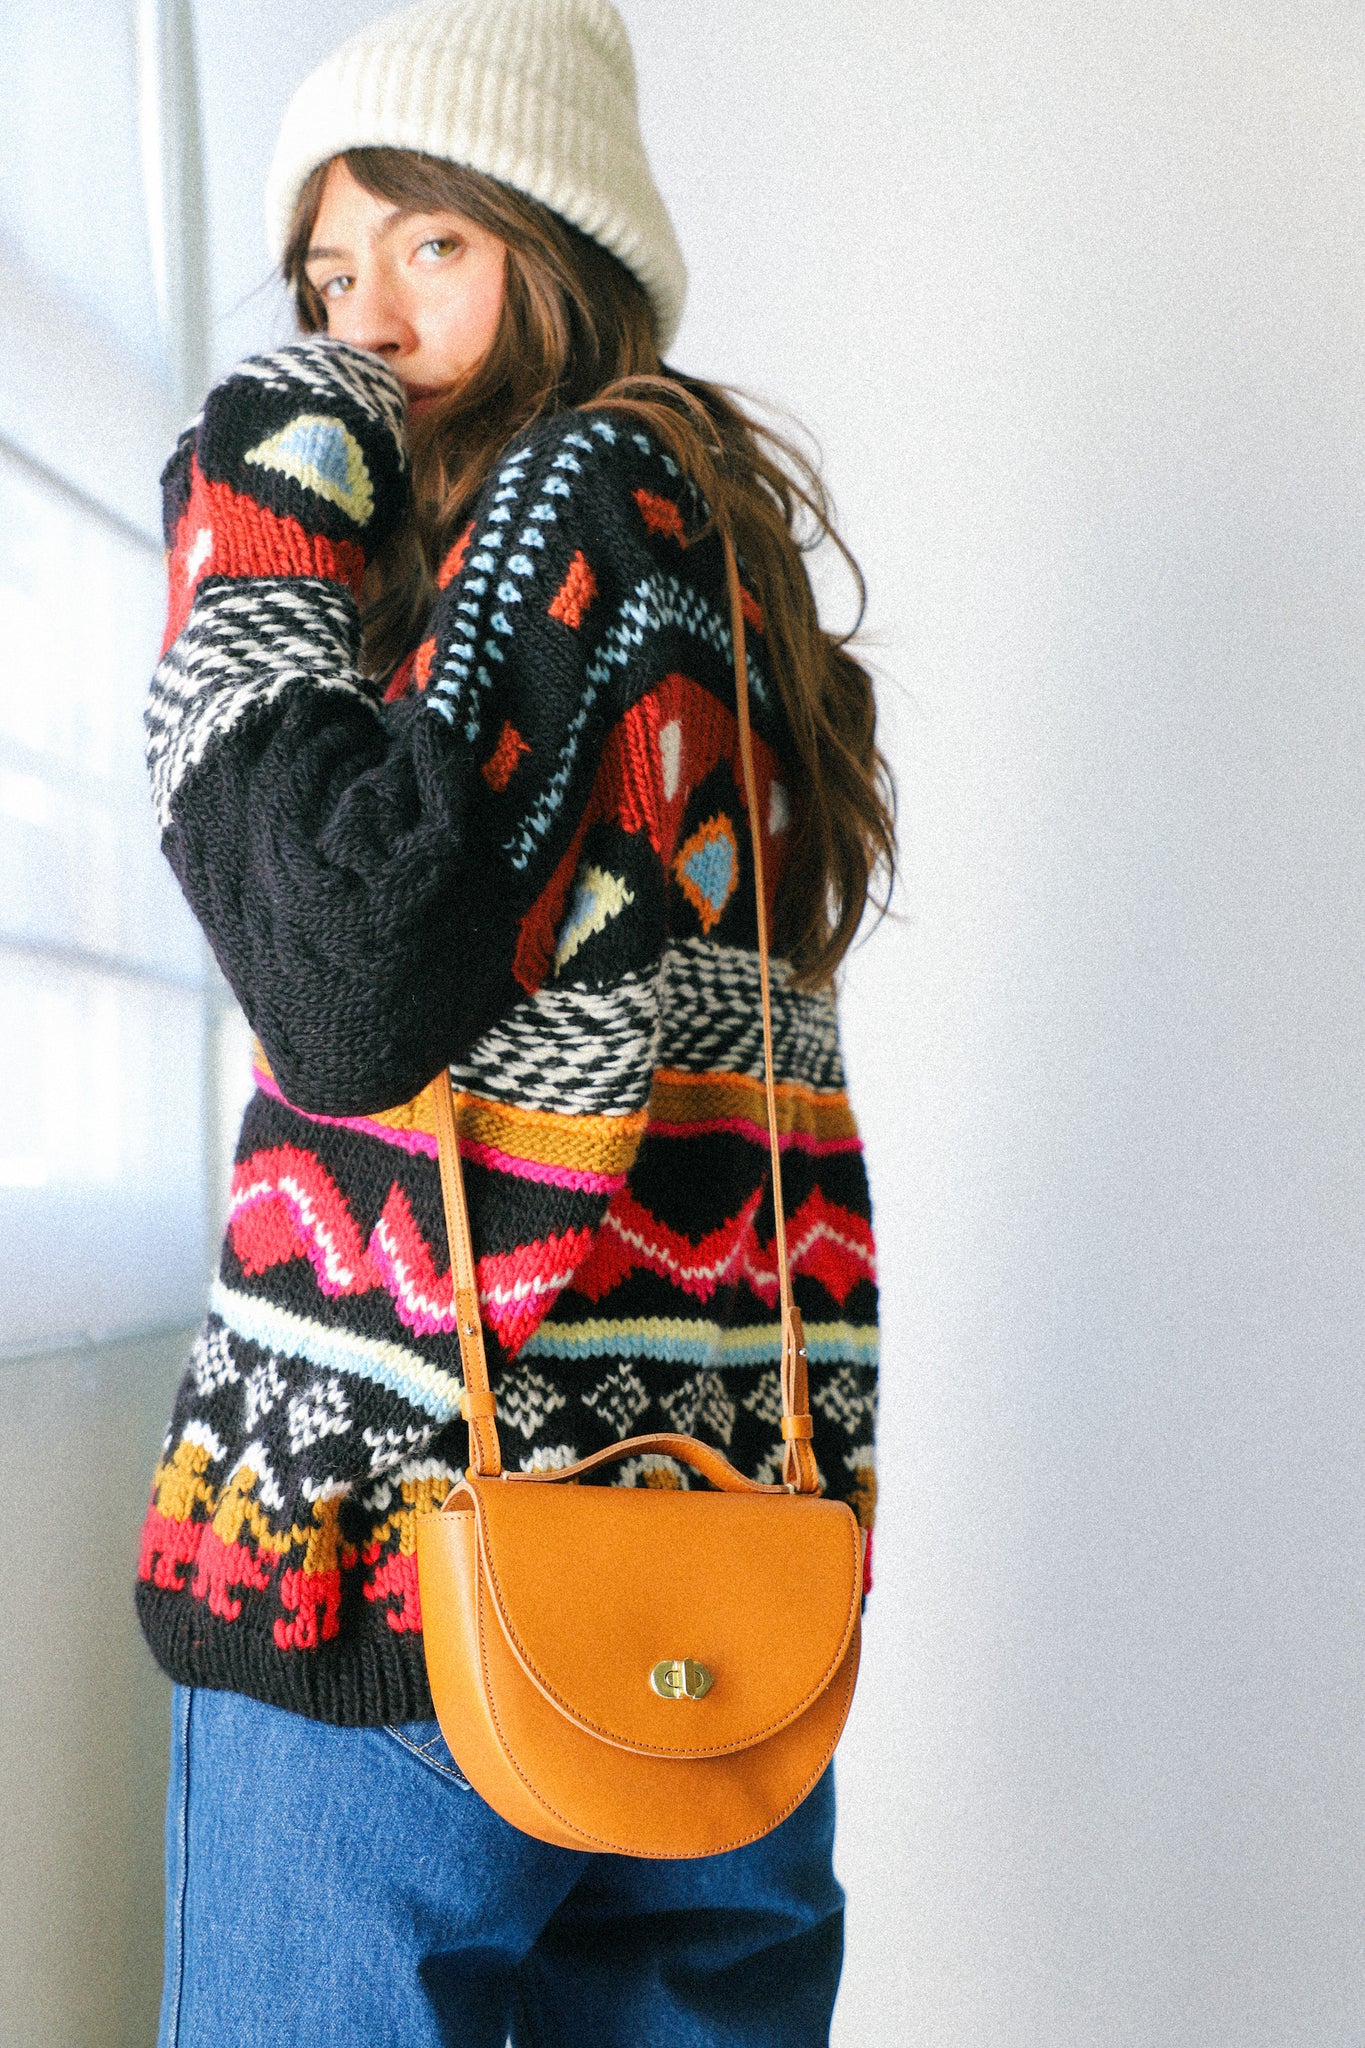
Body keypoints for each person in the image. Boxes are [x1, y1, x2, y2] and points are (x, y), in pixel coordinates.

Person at [135, 1, 893, 2041]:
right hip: (711, 1595)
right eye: (325, 278)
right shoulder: (709, 564)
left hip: (409, 1575)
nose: (365, 324)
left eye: (429, 244)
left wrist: (258, 524)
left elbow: (341, 983)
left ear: (558, 249)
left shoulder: (576, 492)